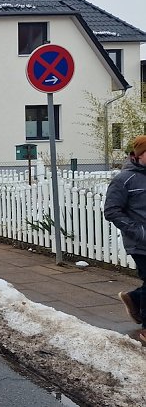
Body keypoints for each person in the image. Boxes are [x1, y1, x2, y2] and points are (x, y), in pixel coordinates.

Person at [104, 136, 146, 344]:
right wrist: (139, 232)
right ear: (138, 155)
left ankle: (135, 298)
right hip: (140, 243)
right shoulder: (124, 179)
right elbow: (111, 210)